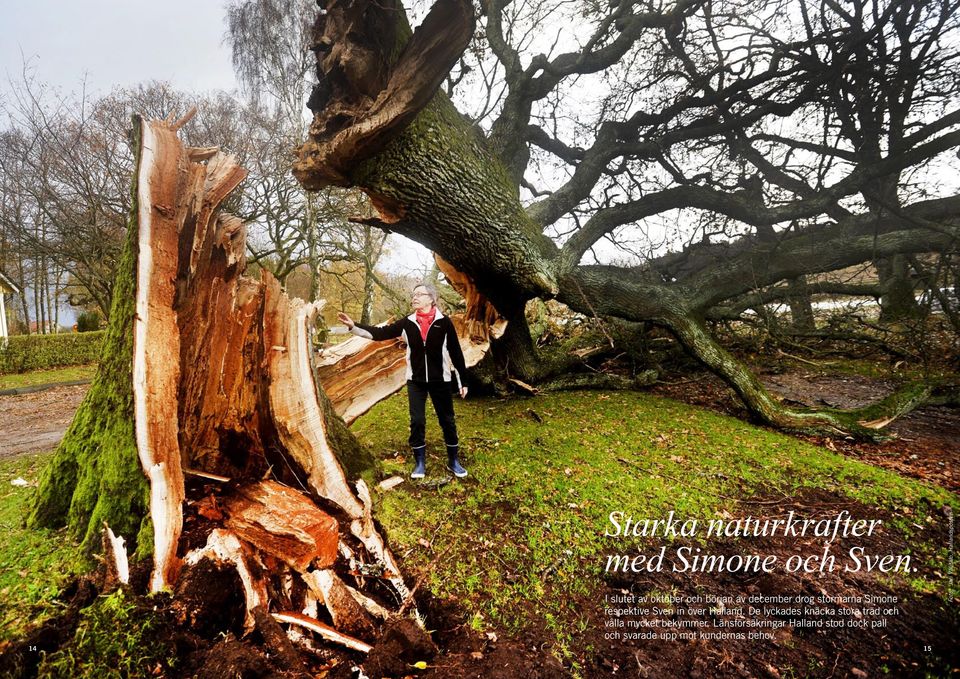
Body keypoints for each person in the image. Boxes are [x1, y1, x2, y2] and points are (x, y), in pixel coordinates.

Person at [337, 284, 469, 479]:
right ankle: (420, 462)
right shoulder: (408, 323)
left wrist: (463, 381)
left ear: (431, 299)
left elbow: (456, 352)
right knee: (417, 421)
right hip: (415, 381)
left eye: (419, 295)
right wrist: (353, 326)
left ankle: (453, 460)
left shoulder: (444, 323)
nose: (414, 298)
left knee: (447, 420)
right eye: (413, 294)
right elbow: (380, 333)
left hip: (440, 379)